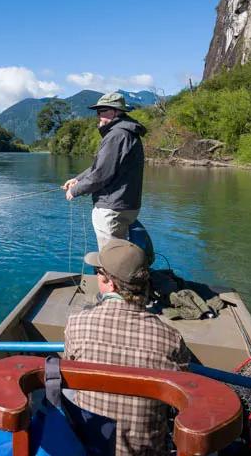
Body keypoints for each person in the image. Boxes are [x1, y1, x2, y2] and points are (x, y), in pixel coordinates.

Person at [64, 238, 191, 456]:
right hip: (145, 452)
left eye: (98, 271)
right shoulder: (171, 339)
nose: (96, 276)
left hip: (92, 448)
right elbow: (182, 397)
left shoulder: (77, 324)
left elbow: (68, 371)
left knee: (64, 388)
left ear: (110, 284)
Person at [62, 92, 146, 250]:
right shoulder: (128, 132)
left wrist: (75, 190)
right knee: (120, 255)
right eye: (97, 112)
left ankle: (111, 275)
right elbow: (102, 165)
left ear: (115, 112)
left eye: (101, 111)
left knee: (112, 259)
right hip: (127, 205)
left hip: (112, 207)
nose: (98, 115)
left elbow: (101, 173)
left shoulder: (116, 135)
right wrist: (78, 179)